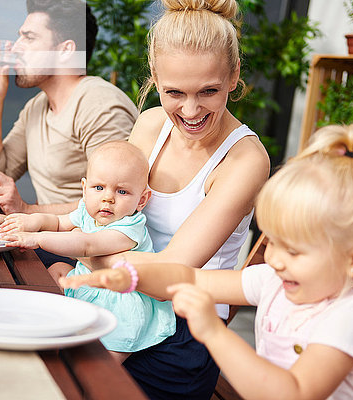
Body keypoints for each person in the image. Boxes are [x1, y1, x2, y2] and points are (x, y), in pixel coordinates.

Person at [62, 125, 353, 400]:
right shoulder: (274, 280)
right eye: (273, 243)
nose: (276, 260)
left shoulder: (350, 317)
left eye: (294, 251)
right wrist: (131, 275)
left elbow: (293, 393)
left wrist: (213, 332)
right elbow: (189, 279)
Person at [67, 0, 270, 398]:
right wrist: (31, 213)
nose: (191, 111)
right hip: (117, 293)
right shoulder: (152, 122)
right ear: (155, 78)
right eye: (174, 92)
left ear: (234, 76)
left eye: (208, 91)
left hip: (182, 330)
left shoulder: (244, 159)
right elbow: (108, 207)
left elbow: (170, 273)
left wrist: (87, 248)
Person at [0, 141, 176, 364]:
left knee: (99, 364)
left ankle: (95, 380)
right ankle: (56, 330)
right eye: (99, 188)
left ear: (141, 200)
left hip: (121, 305)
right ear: (85, 188)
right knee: (57, 269)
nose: (108, 198)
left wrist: (38, 238)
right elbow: (58, 222)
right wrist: (33, 221)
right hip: (91, 284)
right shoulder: (88, 210)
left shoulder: (131, 227)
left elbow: (87, 245)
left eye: (122, 191)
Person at [0, 0, 138, 217]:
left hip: (84, 248)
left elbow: (115, 204)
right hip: (42, 241)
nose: (16, 47)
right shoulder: (36, 107)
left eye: (29, 37)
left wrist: (27, 211)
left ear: (65, 50)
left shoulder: (100, 106)